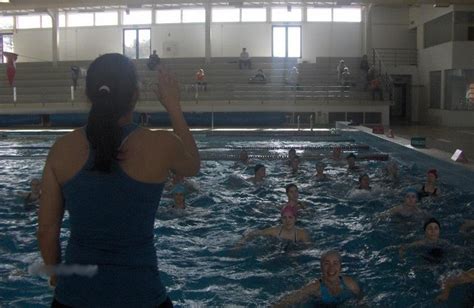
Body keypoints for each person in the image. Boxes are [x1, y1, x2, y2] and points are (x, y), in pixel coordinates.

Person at [37, 53, 200, 307]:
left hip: (75, 296)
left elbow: (47, 232)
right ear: (134, 95)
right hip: (141, 295)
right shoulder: (160, 144)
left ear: (89, 95)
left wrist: (57, 276)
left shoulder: (61, 149)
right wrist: (173, 106)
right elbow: (192, 164)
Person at [273, 250, 361, 307]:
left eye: (335, 263)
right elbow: (287, 301)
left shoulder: (350, 283)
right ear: (321, 267)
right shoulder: (314, 287)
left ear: (340, 267)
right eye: (327, 263)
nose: (331, 268)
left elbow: (361, 301)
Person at [236, 205, 311, 247]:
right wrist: (241, 243)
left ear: (295, 219)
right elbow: (252, 232)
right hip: (276, 248)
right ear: (281, 219)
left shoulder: (302, 234)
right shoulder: (274, 231)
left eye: (290, 217)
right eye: (284, 218)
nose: (287, 221)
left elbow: (309, 250)